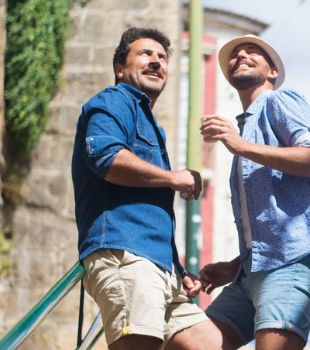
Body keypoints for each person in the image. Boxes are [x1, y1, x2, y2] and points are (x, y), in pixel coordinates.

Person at [71, 27, 224, 350]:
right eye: (145, 54)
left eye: (163, 57)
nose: (156, 62)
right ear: (119, 68)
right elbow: (106, 158)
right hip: (125, 254)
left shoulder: (150, 124)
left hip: (160, 268)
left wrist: (177, 268)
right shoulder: (113, 101)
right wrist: (173, 178)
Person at [198, 34, 310, 350]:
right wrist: (234, 266)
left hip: (289, 263)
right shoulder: (246, 130)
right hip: (250, 272)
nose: (241, 55)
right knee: (189, 344)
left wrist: (239, 145)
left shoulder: (281, 102)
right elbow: (267, 220)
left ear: (272, 72)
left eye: (253, 51)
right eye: (235, 54)